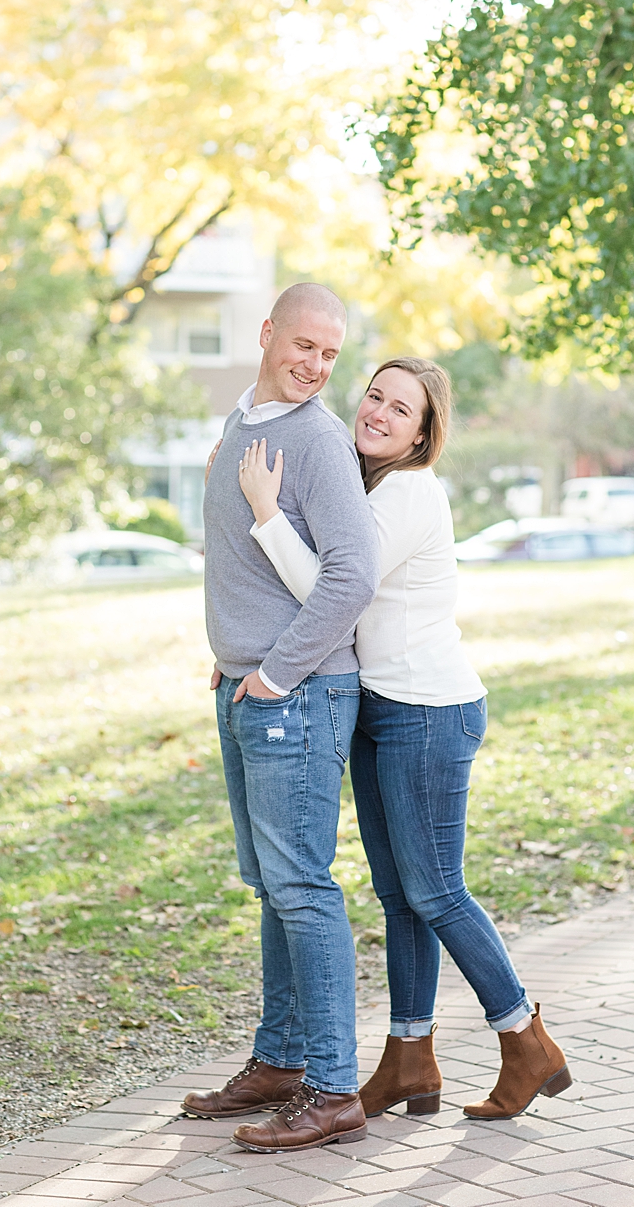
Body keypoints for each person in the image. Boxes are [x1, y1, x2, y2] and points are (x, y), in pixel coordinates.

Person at [236, 355, 572, 1123]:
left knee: (435, 891)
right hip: (381, 706)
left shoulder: (409, 492)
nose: (379, 413)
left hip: (430, 709)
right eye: (375, 396)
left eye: (401, 409)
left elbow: (330, 588)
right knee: (399, 899)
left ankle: (525, 1037)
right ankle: (410, 1060)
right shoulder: (366, 487)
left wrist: (266, 512)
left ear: (424, 433)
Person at [181, 283, 379, 1152]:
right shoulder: (248, 426)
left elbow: (352, 577)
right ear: (266, 334)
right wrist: (233, 660)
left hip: (296, 695)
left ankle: (334, 1088)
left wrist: (273, 672)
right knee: (273, 887)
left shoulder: (318, 440)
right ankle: (280, 1063)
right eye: (304, 345)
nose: (316, 366)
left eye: (331, 355)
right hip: (247, 689)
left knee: (301, 887)